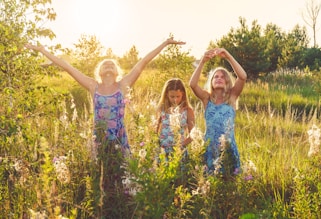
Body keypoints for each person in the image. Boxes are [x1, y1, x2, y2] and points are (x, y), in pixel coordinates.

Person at [25, 37, 185, 158]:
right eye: (105, 64)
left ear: (117, 71)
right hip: (100, 137)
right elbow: (67, 66)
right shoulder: (93, 86)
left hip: (119, 137)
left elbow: (144, 61)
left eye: (112, 64)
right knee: (101, 172)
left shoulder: (123, 86)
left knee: (123, 174)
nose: (108, 64)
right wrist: (42, 51)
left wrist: (165, 43)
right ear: (99, 71)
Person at [189, 48, 247, 175]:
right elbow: (192, 84)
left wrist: (228, 56)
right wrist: (202, 62)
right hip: (210, 149)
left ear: (227, 81)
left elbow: (242, 76)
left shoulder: (232, 97)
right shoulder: (206, 98)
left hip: (227, 148)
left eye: (222, 77)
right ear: (211, 81)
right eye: (216, 76)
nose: (219, 78)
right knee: (210, 183)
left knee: (229, 181)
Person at [156, 78, 195, 160]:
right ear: (166, 94)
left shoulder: (187, 110)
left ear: (183, 94)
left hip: (179, 152)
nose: (175, 100)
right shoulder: (162, 108)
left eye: (178, 96)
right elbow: (155, 130)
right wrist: (156, 144)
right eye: (172, 96)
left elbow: (193, 134)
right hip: (163, 151)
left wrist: (181, 144)